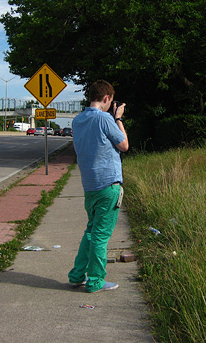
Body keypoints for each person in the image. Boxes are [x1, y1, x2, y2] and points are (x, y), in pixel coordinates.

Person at [68, 80, 129, 293]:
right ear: (106, 98)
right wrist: (118, 118)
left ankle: (77, 275)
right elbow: (124, 145)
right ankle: (95, 281)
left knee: (91, 231)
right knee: (101, 235)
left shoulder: (78, 120)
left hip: (90, 184)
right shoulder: (105, 119)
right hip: (109, 183)